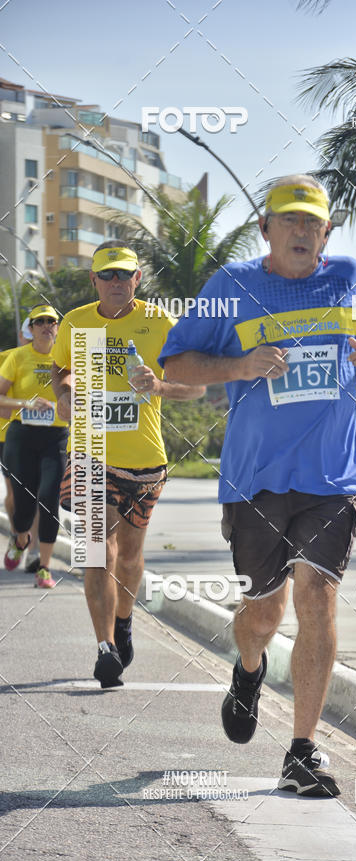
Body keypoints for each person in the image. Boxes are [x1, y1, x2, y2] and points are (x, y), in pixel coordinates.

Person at [159, 175, 356, 797]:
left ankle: (302, 751)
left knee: (317, 599)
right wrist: (240, 366)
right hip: (256, 479)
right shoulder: (233, 287)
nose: (302, 231)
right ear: (265, 228)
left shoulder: (352, 277)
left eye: (313, 223)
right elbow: (176, 364)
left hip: (331, 475)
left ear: (327, 232)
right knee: (263, 609)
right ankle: (248, 670)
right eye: (289, 220)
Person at [51, 241, 205, 689]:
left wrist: (159, 385)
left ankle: (123, 619)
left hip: (144, 461)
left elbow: (195, 387)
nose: (117, 282)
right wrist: (64, 394)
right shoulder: (77, 323)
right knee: (97, 551)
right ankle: (104, 649)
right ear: (94, 280)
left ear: (137, 279)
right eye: (108, 275)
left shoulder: (160, 324)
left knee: (131, 557)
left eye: (125, 275)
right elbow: (61, 368)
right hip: (89, 455)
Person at [0, 304, 68, 588]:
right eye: (39, 321)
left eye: (51, 321)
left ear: (57, 327)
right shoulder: (16, 358)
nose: (45, 326)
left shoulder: (66, 359)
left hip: (56, 437)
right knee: (23, 501)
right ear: (31, 327)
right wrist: (26, 404)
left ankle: (44, 568)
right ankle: (20, 537)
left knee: (49, 497)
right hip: (21, 435)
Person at [0, 319, 42, 571]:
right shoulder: (7, 357)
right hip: (7, 437)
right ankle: (19, 538)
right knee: (15, 496)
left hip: (41, 436)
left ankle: (35, 551)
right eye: (28, 334)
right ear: (21, 334)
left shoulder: (52, 360)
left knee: (36, 495)